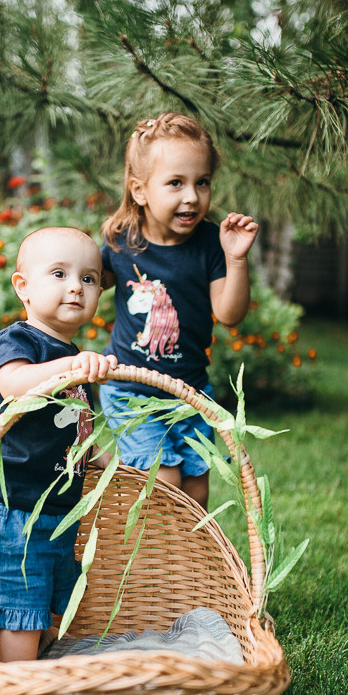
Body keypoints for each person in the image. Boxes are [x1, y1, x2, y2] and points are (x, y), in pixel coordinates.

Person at [99, 111, 258, 509]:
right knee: (163, 482)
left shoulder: (210, 242)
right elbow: (87, 286)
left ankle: (183, 568)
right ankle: (147, 565)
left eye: (201, 182)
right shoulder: (122, 242)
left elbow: (230, 314)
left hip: (190, 391)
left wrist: (236, 259)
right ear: (139, 190)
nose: (192, 196)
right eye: (175, 183)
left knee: (196, 491)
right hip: (131, 390)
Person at [0, 226, 117, 663]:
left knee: (52, 601)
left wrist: (97, 455)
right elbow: (13, 385)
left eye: (89, 279)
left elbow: (74, 425)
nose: (76, 286)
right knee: (23, 611)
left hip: (58, 511)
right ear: (24, 288)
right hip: (16, 511)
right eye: (59, 273)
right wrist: (72, 366)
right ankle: (22, 689)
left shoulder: (74, 354)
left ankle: (42, 667)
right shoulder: (20, 342)